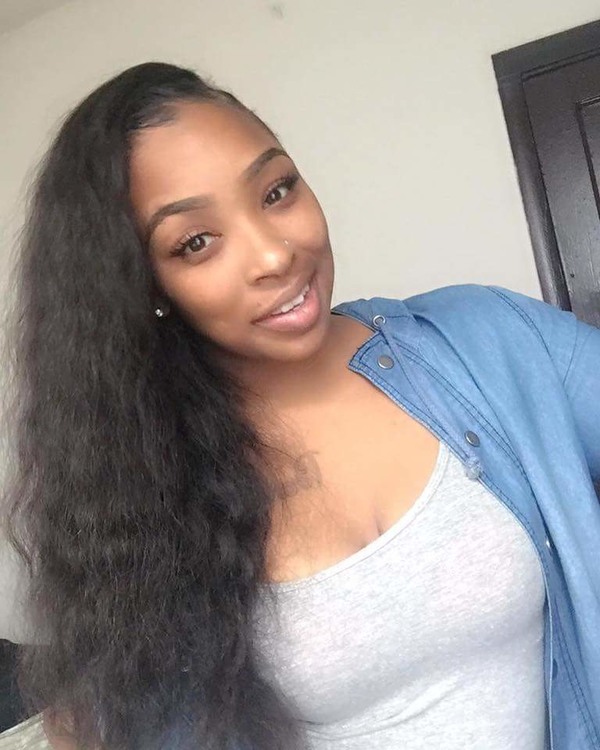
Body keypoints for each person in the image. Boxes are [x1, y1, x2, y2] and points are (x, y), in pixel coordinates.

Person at [1, 61, 599, 750]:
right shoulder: (144, 494)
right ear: (146, 286)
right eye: (196, 242)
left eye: (276, 190)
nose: (273, 255)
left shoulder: (488, 342)